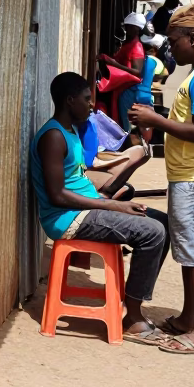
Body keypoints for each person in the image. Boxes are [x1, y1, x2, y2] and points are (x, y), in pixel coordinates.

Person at [31, 72, 169, 344]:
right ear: (70, 100)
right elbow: (58, 196)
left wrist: (111, 201)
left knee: (163, 222)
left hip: (86, 209)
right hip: (67, 218)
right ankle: (132, 319)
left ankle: (130, 301)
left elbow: (77, 179)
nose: (92, 105)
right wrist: (113, 205)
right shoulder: (53, 136)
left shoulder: (71, 130)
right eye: (86, 99)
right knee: (152, 232)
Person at [130, 4, 194, 355]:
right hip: (191, 174)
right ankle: (190, 319)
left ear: (193, 37)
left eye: (174, 41)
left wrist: (156, 121)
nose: (171, 48)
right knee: (189, 250)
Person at [99, 11, 147, 129]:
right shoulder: (128, 43)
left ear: (136, 29)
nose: (126, 30)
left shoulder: (136, 46)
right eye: (126, 27)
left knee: (124, 124)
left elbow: (137, 71)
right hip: (120, 87)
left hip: (128, 89)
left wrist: (114, 63)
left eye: (129, 27)